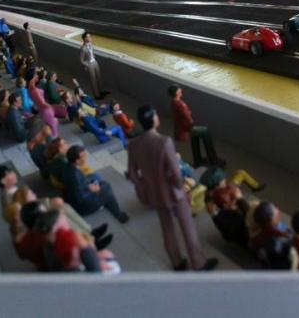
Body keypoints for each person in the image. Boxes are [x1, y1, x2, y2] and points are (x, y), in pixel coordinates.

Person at [127, 104, 217, 271]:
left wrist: (146, 185)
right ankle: (198, 263)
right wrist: (182, 189)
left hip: (155, 194)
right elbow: (175, 173)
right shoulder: (164, 142)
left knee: (166, 228)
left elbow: (132, 174)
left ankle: (177, 262)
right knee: (187, 227)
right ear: (153, 119)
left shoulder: (133, 145)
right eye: (155, 115)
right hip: (173, 193)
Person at [62, 145, 129, 223]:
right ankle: (119, 215)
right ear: (77, 160)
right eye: (83, 156)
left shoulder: (69, 166)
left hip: (78, 193)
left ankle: (104, 202)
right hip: (82, 207)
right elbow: (80, 199)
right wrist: (92, 190)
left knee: (101, 182)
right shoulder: (74, 175)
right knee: (107, 191)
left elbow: (80, 184)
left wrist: (89, 185)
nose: (86, 158)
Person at [168, 85, 223, 168]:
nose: (181, 91)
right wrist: (191, 124)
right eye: (179, 90)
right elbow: (189, 120)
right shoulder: (181, 104)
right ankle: (213, 160)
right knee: (205, 131)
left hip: (180, 129)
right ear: (176, 93)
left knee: (195, 134)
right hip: (185, 130)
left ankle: (198, 160)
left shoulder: (173, 102)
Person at [79, 32, 109, 99]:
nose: (90, 38)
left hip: (95, 62)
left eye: (90, 36)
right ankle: (96, 95)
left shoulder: (90, 44)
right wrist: (87, 65)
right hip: (90, 64)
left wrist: (94, 57)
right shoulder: (83, 48)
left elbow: (92, 53)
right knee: (93, 80)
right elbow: (81, 60)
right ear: (84, 38)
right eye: (88, 37)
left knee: (99, 77)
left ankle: (101, 91)